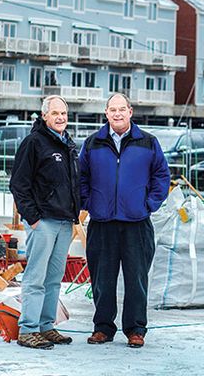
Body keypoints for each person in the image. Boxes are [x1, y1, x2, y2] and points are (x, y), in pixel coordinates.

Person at [78, 93, 170, 349]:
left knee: (136, 279)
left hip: (136, 222)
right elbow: (81, 176)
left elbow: (162, 175)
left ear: (130, 112)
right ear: (106, 113)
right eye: (112, 110)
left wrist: (148, 204)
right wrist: (89, 202)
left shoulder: (148, 142)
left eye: (122, 109)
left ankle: (135, 329)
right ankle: (103, 327)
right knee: (102, 279)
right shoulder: (93, 143)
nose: (117, 114)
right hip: (102, 222)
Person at [9, 95, 79, 350]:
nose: (60, 118)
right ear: (44, 116)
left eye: (64, 113)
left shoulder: (67, 144)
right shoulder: (34, 143)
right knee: (36, 277)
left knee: (54, 278)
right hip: (44, 222)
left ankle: (46, 326)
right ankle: (28, 329)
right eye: (55, 113)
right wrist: (33, 218)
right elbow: (19, 184)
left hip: (64, 221)